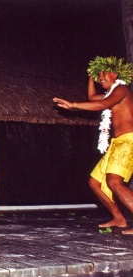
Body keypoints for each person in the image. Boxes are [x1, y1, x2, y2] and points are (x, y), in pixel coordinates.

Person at [53, 56, 133, 234]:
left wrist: (73, 105)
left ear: (114, 73)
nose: (100, 78)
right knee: (95, 182)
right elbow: (92, 97)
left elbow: (102, 104)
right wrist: (91, 76)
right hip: (117, 143)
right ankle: (119, 218)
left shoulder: (121, 89)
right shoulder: (113, 91)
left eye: (103, 74)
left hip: (129, 140)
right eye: (98, 76)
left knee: (114, 182)